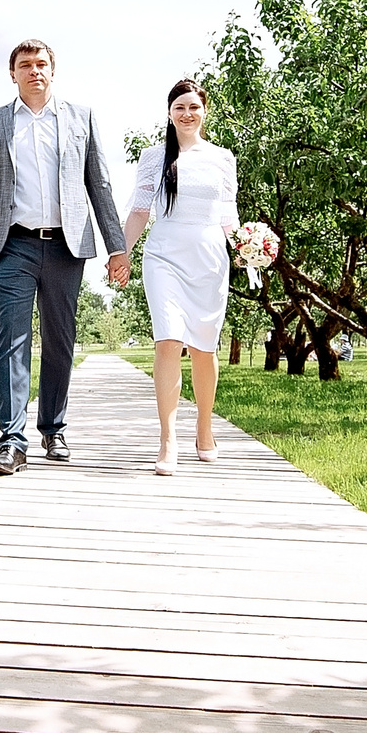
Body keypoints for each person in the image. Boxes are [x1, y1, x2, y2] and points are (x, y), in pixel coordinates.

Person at [0, 39, 129, 476]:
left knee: (60, 340)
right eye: (25, 65)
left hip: (65, 246)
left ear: (53, 71)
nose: (34, 70)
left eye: (42, 64)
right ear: (13, 73)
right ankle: (11, 443)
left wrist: (117, 246)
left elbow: (101, 186)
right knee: (10, 342)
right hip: (11, 245)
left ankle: (53, 429)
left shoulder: (80, 119)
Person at [122, 77, 238, 476]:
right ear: (169, 114)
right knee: (168, 340)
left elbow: (228, 215)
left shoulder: (223, 158)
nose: (187, 114)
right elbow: (140, 211)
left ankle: (205, 427)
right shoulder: (155, 156)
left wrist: (247, 248)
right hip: (164, 255)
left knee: (204, 348)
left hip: (209, 258)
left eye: (194, 107)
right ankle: (167, 438)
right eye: (179, 108)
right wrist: (122, 252)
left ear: (205, 111)